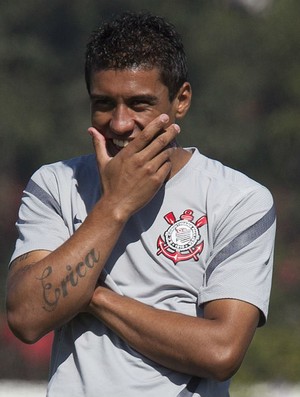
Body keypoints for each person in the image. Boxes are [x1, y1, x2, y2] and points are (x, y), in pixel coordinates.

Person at [6, 11, 276, 397]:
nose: (119, 123)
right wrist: (114, 206)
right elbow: (26, 317)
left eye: (139, 103)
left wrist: (92, 296)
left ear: (181, 100)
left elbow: (221, 351)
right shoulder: (56, 184)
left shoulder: (239, 200)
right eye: (103, 103)